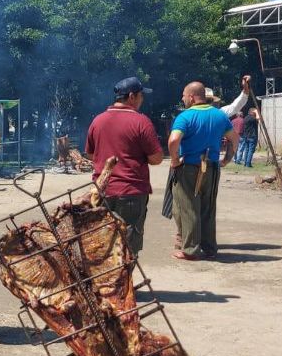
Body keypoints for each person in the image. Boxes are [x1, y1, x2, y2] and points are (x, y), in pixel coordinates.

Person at [84, 77, 163, 256]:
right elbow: (157, 158)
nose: (142, 99)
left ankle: (105, 283)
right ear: (132, 96)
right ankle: (122, 283)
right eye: (141, 95)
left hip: (101, 191)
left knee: (102, 243)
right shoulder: (141, 122)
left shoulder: (98, 120)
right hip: (131, 193)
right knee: (128, 245)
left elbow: (90, 154)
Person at [168, 82, 239, 260]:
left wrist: (175, 161)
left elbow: (173, 140)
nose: (183, 99)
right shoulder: (219, 116)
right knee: (208, 208)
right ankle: (209, 248)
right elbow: (234, 138)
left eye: (184, 95)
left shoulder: (185, 117)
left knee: (188, 207)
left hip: (189, 168)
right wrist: (227, 159)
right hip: (212, 167)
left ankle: (191, 249)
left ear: (191, 97)